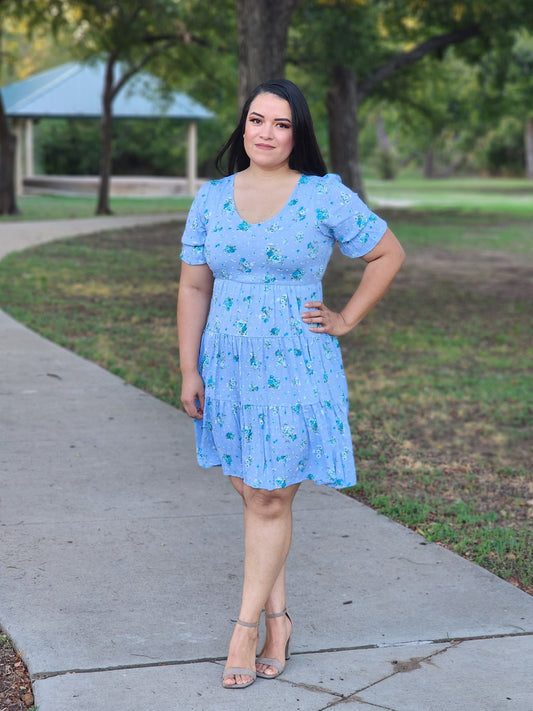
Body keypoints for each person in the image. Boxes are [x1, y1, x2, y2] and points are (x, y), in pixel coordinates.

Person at [177, 78, 405, 690]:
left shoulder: (324, 196)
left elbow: (388, 254)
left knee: (273, 496)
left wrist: (346, 318)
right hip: (227, 366)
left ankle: (243, 629)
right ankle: (280, 618)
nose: (266, 133)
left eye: (281, 124)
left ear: (297, 134)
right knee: (255, 496)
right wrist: (189, 368)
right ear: (243, 127)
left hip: (296, 366)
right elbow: (195, 286)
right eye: (257, 120)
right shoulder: (212, 197)